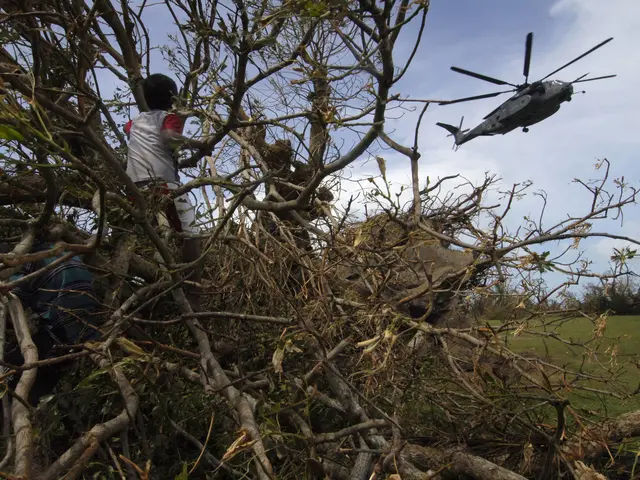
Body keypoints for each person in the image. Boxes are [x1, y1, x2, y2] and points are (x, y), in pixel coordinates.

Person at [124, 73, 204, 310]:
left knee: (151, 235)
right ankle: (193, 293)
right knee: (192, 235)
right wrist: (201, 144)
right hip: (163, 186)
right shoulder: (170, 118)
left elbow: (134, 134)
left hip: (134, 188)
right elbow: (169, 138)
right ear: (173, 99)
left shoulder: (132, 123)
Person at [0, 242, 102, 406]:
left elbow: (9, 310)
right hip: (89, 329)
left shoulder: (28, 265)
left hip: (61, 334)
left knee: (6, 374)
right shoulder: (61, 250)